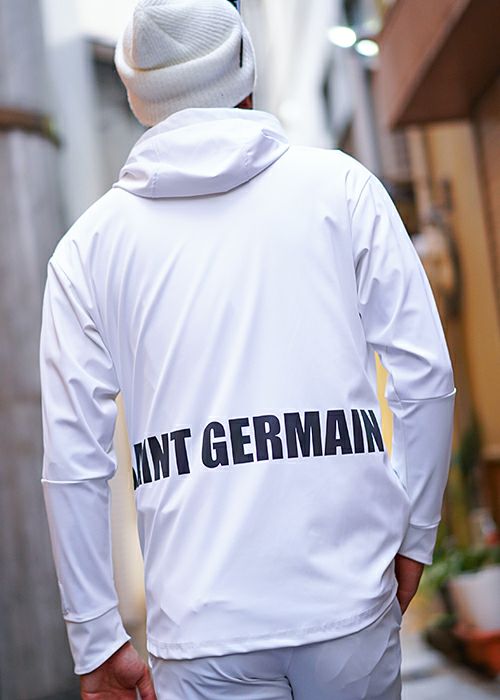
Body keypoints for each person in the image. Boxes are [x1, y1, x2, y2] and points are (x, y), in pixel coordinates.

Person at [39, 0, 456, 698]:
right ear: (246, 73)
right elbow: (426, 377)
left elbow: (73, 459)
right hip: (348, 603)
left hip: (201, 630)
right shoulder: (341, 189)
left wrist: (96, 637)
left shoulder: (89, 249)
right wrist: (415, 534)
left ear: (138, 97)